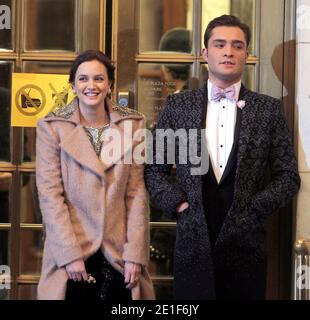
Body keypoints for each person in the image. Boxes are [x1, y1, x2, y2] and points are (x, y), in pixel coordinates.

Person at [144, 15, 300, 300]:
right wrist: (179, 204)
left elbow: (288, 176)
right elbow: (154, 170)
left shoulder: (268, 110)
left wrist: (254, 209)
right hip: (193, 244)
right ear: (205, 53)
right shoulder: (179, 106)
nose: (228, 51)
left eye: (237, 45)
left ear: (246, 54)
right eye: (220, 44)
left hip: (246, 247)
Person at [36, 50, 155, 300]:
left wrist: (136, 252)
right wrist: (69, 255)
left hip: (119, 254)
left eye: (99, 79)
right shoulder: (51, 127)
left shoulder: (132, 124)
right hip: (72, 253)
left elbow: (136, 193)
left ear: (109, 84)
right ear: (73, 85)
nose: (91, 86)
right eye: (83, 79)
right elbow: (50, 196)